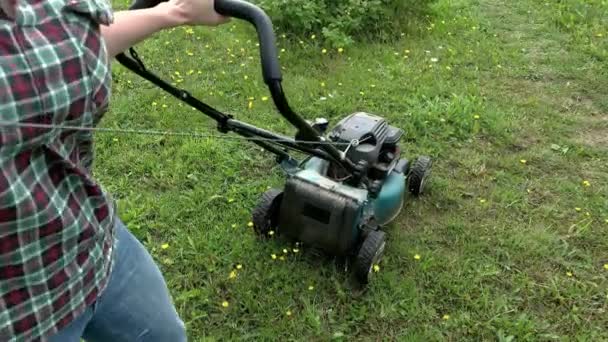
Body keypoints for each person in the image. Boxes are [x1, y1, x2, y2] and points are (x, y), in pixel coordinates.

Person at [0, 0, 229, 341]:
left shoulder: (39, 16)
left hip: (92, 245)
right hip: (21, 313)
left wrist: (176, 12)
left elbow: (68, 40)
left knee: (163, 336)